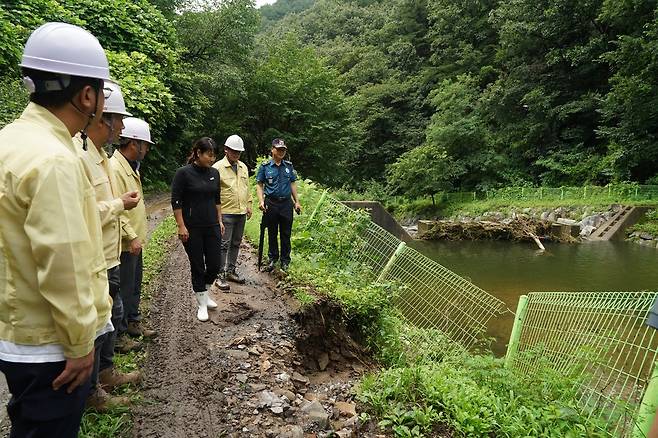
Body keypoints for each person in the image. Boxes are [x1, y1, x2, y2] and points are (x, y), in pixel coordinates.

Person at [0, 22, 113, 436]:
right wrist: (81, 344)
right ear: (87, 95)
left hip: (18, 330)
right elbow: (63, 261)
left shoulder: (10, 141)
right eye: (101, 92)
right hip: (52, 347)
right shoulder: (55, 160)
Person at [75, 80, 141, 410]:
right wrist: (118, 206)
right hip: (94, 257)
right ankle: (92, 391)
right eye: (119, 120)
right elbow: (83, 212)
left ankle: (105, 374)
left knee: (107, 318)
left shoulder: (101, 155)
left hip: (108, 254)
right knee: (97, 323)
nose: (122, 127)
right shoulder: (81, 156)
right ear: (104, 117)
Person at [110, 117, 157, 342]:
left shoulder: (131, 167)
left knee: (135, 283)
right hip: (127, 241)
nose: (146, 149)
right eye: (145, 145)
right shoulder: (115, 167)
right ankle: (119, 333)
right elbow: (117, 207)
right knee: (124, 288)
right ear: (134, 144)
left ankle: (133, 322)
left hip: (135, 240)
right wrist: (132, 236)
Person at [171, 138, 225, 321]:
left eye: (214, 155)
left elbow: (217, 199)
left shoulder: (215, 174)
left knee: (215, 264)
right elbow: (176, 201)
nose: (212, 158)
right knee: (197, 265)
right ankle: (201, 303)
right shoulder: (183, 174)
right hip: (192, 228)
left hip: (212, 225)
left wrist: (220, 220)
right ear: (198, 153)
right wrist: (181, 226)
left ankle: (206, 292)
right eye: (209, 154)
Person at [212, 134, 253, 288]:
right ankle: (219, 274)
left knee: (236, 243)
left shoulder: (243, 167)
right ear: (226, 150)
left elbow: (246, 188)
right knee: (222, 244)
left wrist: (249, 204)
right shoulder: (217, 168)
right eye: (233, 150)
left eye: (238, 151)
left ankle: (230, 271)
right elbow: (212, 193)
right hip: (225, 212)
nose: (236, 154)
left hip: (241, 212)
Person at [256, 138, 302, 272]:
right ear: (272, 150)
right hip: (271, 203)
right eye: (279, 149)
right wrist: (261, 201)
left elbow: (292, 184)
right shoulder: (265, 167)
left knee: (286, 233)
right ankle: (273, 258)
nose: (281, 152)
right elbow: (259, 184)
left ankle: (285, 261)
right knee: (272, 232)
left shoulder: (288, 166)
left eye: (283, 149)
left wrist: (297, 202)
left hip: (286, 204)